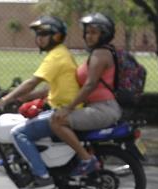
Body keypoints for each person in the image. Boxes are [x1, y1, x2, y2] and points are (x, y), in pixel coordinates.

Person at [0, 15, 79, 189]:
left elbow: (32, 82)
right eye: (38, 34)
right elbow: (50, 88)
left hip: (62, 112)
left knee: (18, 133)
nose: (39, 38)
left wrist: (3, 101)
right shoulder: (61, 53)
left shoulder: (56, 56)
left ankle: (42, 177)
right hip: (62, 108)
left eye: (44, 34)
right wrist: (26, 97)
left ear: (57, 36)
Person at [50, 13, 122, 177]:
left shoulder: (100, 54)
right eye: (87, 32)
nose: (88, 36)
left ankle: (86, 160)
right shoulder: (100, 52)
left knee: (56, 121)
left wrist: (68, 108)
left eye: (94, 32)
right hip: (100, 107)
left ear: (104, 34)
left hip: (102, 109)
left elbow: (90, 85)